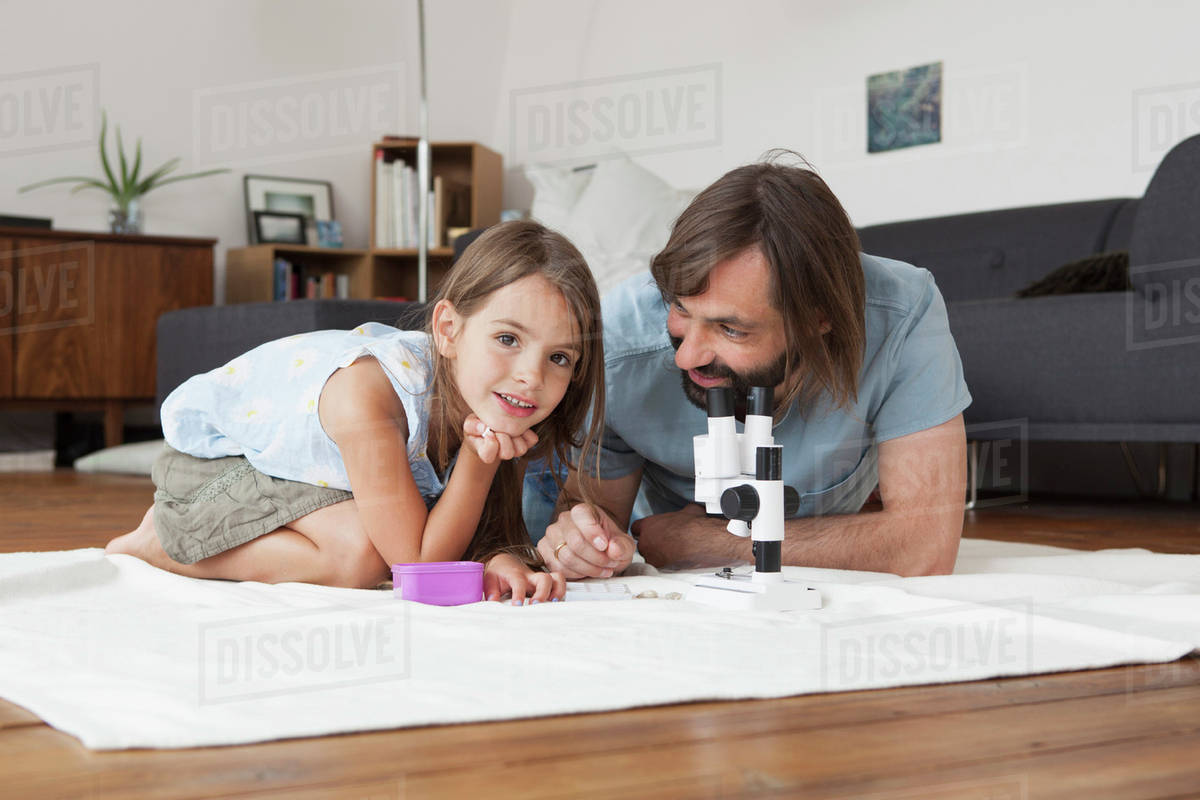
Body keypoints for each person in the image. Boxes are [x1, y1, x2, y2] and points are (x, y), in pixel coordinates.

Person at [106, 221, 606, 604]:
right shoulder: (370, 394)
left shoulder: (491, 399)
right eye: (507, 339)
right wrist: (479, 464)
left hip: (308, 484)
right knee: (361, 557)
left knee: (373, 542)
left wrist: (497, 559)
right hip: (217, 468)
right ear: (448, 330)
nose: (532, 376)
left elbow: (464, 530)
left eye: (559, 357)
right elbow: (417, 568)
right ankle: (158, 543)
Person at [535, 154, 972, 579]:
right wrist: (582, 541)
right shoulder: (617, 345)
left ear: (819, 318)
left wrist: (715, 543)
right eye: (681, 309)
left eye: (731, 329)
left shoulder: (903, 316)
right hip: (662, 546)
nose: (686, 357)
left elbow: (926, 545)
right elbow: (598, 516)